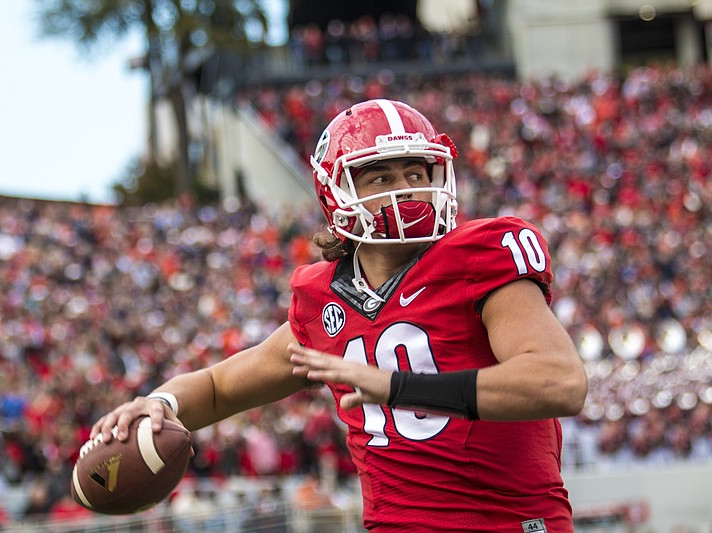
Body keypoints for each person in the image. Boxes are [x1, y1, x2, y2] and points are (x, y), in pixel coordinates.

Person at [92, 99, 589, 532]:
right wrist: (161, 403)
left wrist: (394, 386)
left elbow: (559, 383)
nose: (408, 189)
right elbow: (220, 387)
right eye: (382, 176)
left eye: (417, 173)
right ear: (338, 193)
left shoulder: (479, 256)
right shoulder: (325, 298)